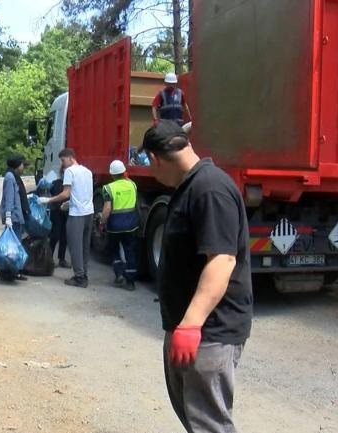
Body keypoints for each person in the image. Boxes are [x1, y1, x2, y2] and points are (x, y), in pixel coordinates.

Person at [141, 120, 252, 433]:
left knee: (210, 424)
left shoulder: (209, 189)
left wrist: (190, 325)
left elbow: (222, 260)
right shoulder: (191, 186)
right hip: (193, 330)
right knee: (198, 421)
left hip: (209, 333)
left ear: (154, 159)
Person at [38, 149, 93, 288]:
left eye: (62, 160)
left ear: (70, 158)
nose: (62, 164)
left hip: (77, 215)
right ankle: (84, 274)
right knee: (85, 246)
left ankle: (79, 278)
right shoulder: (87, 171)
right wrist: (69, 204)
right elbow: (84, 193)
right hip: (89, 213)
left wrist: (48, 200)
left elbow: (65, 193)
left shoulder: (70, 172)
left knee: (75, 246)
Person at [100, 160, 139, 291]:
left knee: (114, 250)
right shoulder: (133, 185)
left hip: (115, 226)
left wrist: (102, 223)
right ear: (124, 172)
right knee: (130, 252)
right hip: (131, 225)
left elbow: (107, 209)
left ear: (112, 174)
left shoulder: (108, 188)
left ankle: (119, 275)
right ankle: (130, 282)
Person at [0, 154, 30, 281]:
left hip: (16, 216)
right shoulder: (10, 177)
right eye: (23, 165)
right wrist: (8, 216)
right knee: (13, 246)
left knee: (14, 245)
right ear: (17, 165)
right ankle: (9, 271)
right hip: (13, 217)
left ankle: (11, 270)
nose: (24, 168)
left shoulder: (14, 176)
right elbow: (9, 198)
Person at [48, 167, 70, 269]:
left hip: (66, 213)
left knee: (64, 237)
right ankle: (49, 258)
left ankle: (61, 259)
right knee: (55, 236)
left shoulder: (70, 185)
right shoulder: (55, 183)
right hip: (56, 212)